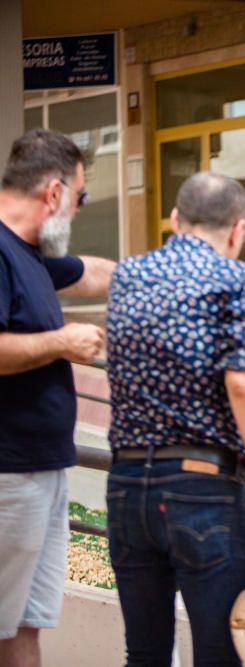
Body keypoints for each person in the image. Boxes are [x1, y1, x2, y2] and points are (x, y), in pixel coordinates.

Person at [104, 172, 245, 665]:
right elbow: (242, 385)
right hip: (202, 492)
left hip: (127, 486)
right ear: (238, 230)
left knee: (145, 654)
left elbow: (171, 339)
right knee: (221, 654)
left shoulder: (129, 275)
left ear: (175, 220)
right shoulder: (235, 278)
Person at [0, 129, 116, 667]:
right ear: (53, 194)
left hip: (43, 471)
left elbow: (96, 272)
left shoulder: (32, 254)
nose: (78, 208)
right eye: (80, 196)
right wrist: (60, 343)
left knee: (26, 625)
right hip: (9, 476)